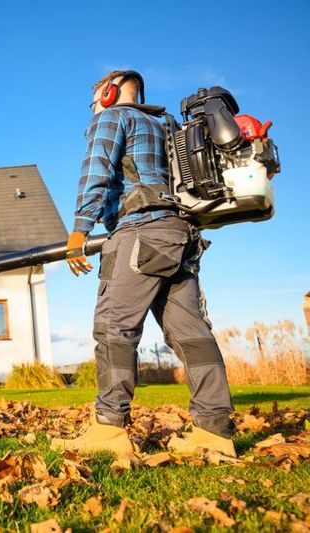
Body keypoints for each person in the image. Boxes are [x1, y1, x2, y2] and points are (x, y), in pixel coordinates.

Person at [50, 70, 236, 458]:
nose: (93, 104)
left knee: (114, 328)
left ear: (108, 92)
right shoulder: (167, 125)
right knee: (192, 335)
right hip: (180, 236)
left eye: (94, 95)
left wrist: (80, 229)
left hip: (139, 234)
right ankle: (215, 432)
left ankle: (109, 428)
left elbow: (97, 171)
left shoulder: (113, 117)